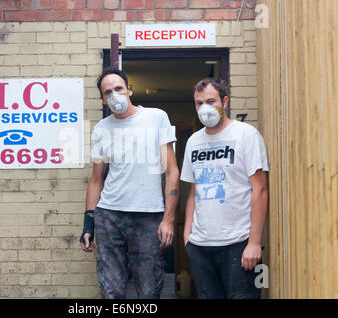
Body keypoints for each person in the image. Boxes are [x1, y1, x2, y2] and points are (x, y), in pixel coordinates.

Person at [80, 67, 180, 299]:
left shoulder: (156, 117)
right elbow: (96, 180)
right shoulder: (101, 129)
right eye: (108, 92)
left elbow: (172, 171)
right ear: (103, 99)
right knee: (112, 290)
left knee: (148, 290)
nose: (114, 95)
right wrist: (88, 224)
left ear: (129, 90)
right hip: (110, 217)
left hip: (148, 216)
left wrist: (169, 219)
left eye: (118, 89)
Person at [180, 78, 269, 299]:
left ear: (225, 101)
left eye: (211, 101)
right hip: (200, 246)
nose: (205, 108)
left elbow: (260, 189)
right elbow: (194, 192)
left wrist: (255, 243)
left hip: (238, 244)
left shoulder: (246, 135)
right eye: (199, 103)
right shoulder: (193, 141)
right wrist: (187, 236)